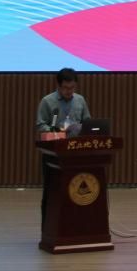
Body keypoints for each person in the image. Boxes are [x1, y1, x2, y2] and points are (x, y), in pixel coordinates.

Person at [36, 68, 92, 225]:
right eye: (66, 88)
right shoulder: (47, 101)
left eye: (72, 88)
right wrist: (56, 130)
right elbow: (40, 125)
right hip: (54, 154)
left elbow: (88, 122)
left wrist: (82, 128)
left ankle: (75, 225)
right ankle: (48, 228)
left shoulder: (80, 100)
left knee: (76, 190)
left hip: (76, 152)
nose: (69, 91)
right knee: (52, 191)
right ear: (59, 86)